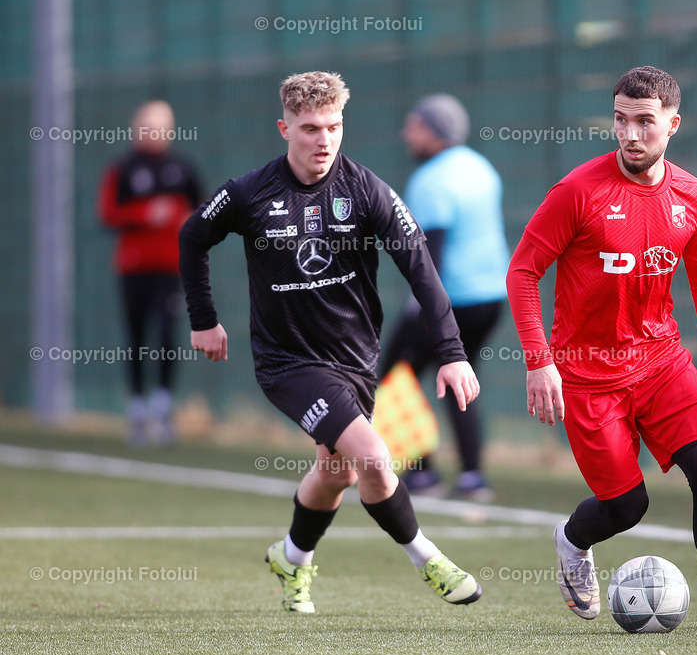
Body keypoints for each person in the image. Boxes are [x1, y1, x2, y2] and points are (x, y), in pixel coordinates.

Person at [178, 71, 482, 613]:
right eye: (310, 127)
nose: (324, 139)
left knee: (336, 471)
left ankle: (291, 558)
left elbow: (422, 271)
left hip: (356, 361)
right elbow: (192, 234)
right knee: (373, 457)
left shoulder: (366, 190)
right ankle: (428, 558)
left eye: (334, 126)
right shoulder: (249, 192)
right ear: (284, 128)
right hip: (288, 363)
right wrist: (204, 318)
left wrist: (453, 354)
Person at [506, 66, 697, 631]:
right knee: (628, 508)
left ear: (673, 125)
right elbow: (524, 272)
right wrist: (538, 361)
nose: (629, 134)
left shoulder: (694, 197)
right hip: (587, 374)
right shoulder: (579, 191)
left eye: (644, 122)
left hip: (661, 361)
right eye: (620, 120)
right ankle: (573, 542)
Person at [380, 94, 509, 502]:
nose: (408, 134)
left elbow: (428, 258)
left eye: (414, 126)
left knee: (392, 376)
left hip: (450, 301)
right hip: (491, 298)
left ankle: (420, 474)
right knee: (461, 381)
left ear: (434, 131)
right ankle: (473, 475)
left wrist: (420, 308)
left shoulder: (431, 179)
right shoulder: (480, 167)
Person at [98, 100, 202, 446]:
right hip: (133, 268)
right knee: (136, 337)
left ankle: (163, 406)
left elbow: (202, 211)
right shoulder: (124, 168)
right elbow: (108, 213)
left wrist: (185, 220)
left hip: (170, 269)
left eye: (160, 126)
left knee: (168, 334)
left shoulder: (181, 168)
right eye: (147, 125)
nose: (153, 132)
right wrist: (146, 214)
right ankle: (137, 410)